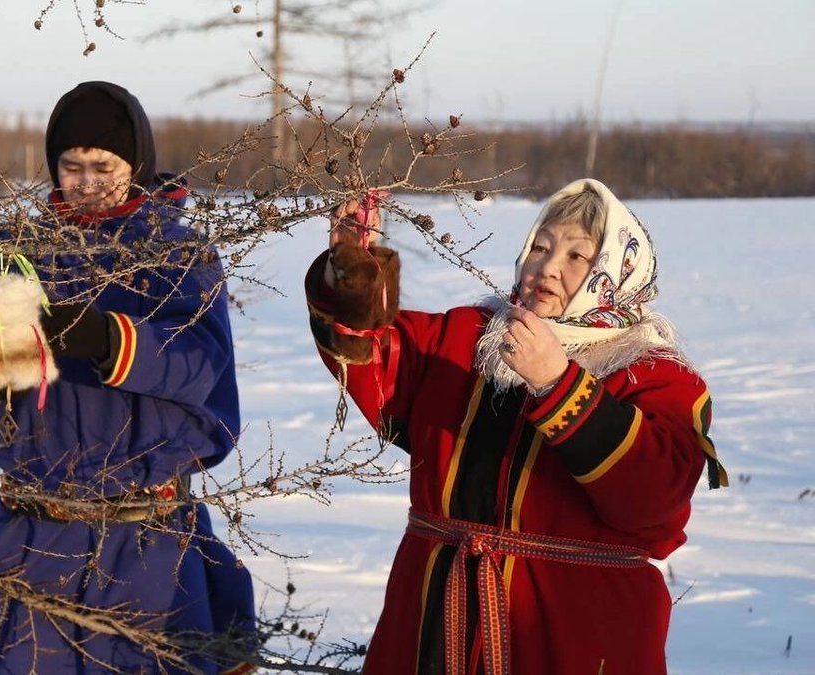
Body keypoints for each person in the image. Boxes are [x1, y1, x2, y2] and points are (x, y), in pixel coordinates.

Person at [304, 178, 727, 674]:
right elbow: (372, 358)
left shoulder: (654, 375)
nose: (546, 268)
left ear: (618, 271)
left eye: (577, 257)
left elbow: (653, 498)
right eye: (540, 248)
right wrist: (354, 273)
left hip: (573, 633)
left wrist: (559, 384)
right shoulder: (468, 339)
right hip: (435, 617)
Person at [0, 81, 256, 675]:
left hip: (146, 542)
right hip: (31, 536)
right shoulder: (19, 252)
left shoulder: (179, 256)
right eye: (71, 166)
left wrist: (110, 341)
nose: (87, 181)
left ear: (137, 165)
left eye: (104, 165)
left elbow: (202, 365)